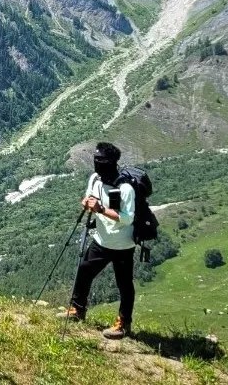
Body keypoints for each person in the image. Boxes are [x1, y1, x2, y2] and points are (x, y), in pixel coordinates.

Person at [64, 142, 136, 339]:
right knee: (84, 270)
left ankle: (123, 323)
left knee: (124, 285)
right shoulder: (95, 179)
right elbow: (89, 198)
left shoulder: (125, 188)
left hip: (122, 244)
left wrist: (101, 210)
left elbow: (128, 218)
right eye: (96, 160)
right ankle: (78, 309)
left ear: (112, 162)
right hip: (101, 240)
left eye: (101, 161)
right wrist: (86, 203)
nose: (97, 164)